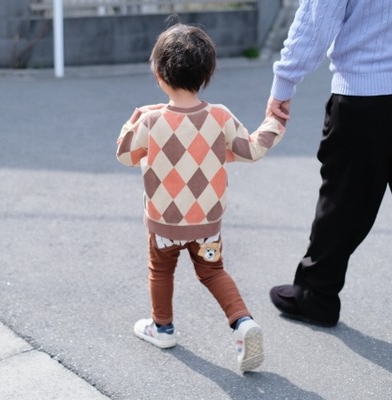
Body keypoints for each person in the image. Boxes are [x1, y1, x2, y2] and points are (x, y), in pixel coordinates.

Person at [265, 0, 392, 374]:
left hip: (365, 90)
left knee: (343, 204)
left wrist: (285, 81)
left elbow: (318, 15)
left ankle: (316, 294)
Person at [116, 23, 285, 371]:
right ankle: (242, 322)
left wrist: (135, 117)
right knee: (212, 271)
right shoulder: (220, 116)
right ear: (207, 74)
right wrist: (274, 123)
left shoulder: (150, 120)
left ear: (159, 74)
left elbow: (125, 155)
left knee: (161, 271)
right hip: (207, 227)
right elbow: (251, 150)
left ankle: (162, 327)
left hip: (164, 226)